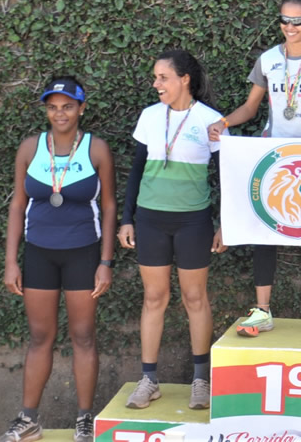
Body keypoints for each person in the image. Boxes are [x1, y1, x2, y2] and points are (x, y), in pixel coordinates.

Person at [207, 0, 301, 338]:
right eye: (284, 20)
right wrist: (223, 122)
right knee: (265, 230)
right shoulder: (268, 59)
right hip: (274, 156)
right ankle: (262, 310)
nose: (289, 27)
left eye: (297, 21)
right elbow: (251, 107)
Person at [0, 77, 116, 442]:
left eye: (67, 106)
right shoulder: (30, 148)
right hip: (39, 253)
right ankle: (28, 420)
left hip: (83, 253)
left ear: (81, 108)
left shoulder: (97, 149)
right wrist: (11, 261)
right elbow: (18, 205)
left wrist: (106, 262)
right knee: (39, 337)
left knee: (83, 336)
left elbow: (110, 207)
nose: (60, 113)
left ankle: (84, 420)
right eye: (52, 107)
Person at [118, 50, 226, 411]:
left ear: (184, 79)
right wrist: (127, 218)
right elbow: (136, 170)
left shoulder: (210, 120)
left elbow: (225, 175)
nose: (156, 84)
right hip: (150, 220)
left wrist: (225, 224)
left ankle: (201, 380)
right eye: (155, 77)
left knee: (195, 298)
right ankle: (149, 380)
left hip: (193, 221)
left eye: (163, 77)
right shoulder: (150, 116)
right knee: (154, 298)